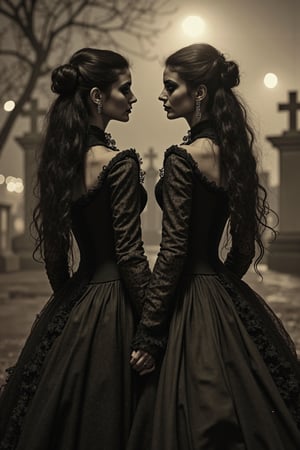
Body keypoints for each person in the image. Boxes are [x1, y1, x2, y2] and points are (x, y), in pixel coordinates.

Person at [130, 43, 300, 449]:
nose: (161, 95)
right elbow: (242, 247)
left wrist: (150, 334)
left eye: (170, 86)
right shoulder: (235, 155)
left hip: (186, 295)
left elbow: (172, 253)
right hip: (222, 292)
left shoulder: (183, 158)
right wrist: (220, 289)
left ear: (199, 92)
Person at [0, 47, 154, 450]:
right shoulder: (118, 164)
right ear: (98, 97)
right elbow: (130, 255)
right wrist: (156, 322)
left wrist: (70, 305)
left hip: (79, 299)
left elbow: (55, 255)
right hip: (120, 301)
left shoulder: (61, 162)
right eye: (127, 89)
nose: (134, 98)